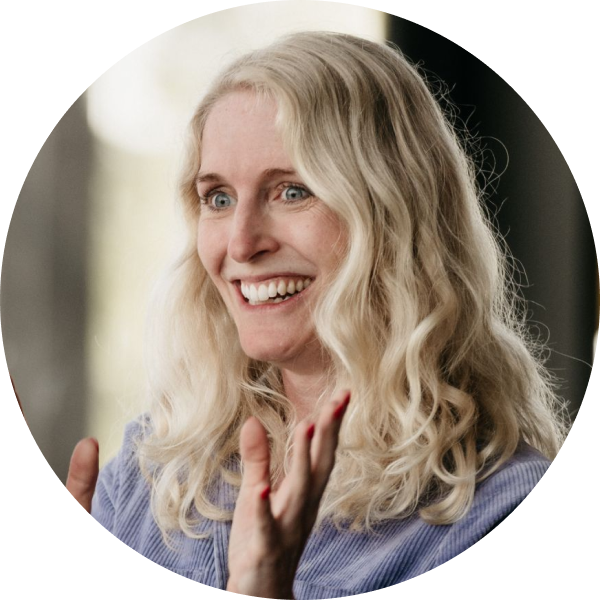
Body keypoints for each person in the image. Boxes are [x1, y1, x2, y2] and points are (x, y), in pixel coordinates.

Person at [14, 31, 569, 596]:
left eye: (292, 191)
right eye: (218, 198)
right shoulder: (151, 468)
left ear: (394, 216)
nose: (241, 243)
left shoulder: (496, 509)